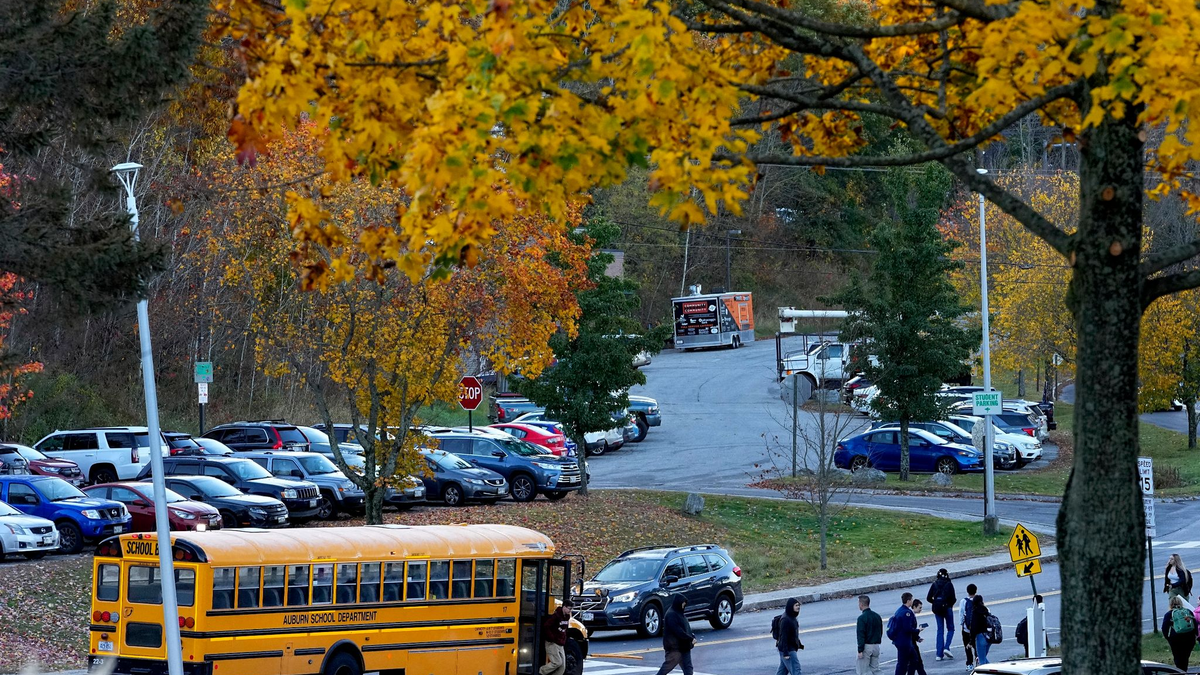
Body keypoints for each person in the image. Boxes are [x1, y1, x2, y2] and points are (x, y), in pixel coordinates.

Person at [656, 594, 695, 675]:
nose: (684, 605)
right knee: (667, 668)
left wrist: (691, 636)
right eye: (683, 603)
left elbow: (685, 628)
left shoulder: (679, 613)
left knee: (688, 669)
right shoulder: (671, 615)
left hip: (684, 647)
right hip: (675, 648)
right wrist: (690, 639)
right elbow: (678, 631)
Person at [926, 568, 957, 661]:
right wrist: (949, 605)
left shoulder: (934, 584)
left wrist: (935, 602)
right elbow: (953, 598)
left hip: (937, 609)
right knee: (950, 628)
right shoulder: (949, 584)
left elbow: (928, 598)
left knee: (940, 630)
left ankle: (939, 654)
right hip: (947, 608)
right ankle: (946, 647)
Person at [1162, 595, 1198, 671]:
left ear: (1170, 604)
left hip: (1176, 639)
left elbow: (1164, 628)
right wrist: (1195, 636)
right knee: (1185, 657)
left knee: (1178, 658)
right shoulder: (1188, 612)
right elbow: (1194, 623)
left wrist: (1169, 638)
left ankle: (1180, 671)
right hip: (1189, 638)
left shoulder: (1169, 614)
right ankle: (1184, 670)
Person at [539, 599, 572, 675]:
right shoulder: (556, 616)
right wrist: (552, 638)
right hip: (552, 643)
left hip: (560, 643)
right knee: (557, 662)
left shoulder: (567, 617)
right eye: (569, 609)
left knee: (562, 667)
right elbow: (546, 626)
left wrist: (563, 639)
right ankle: (541, 671)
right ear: (564, 607)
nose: (570, 611)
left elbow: (564, 629)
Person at [890, 592, 920, 675]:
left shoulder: (899, 610)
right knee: (903, 662)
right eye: (911, 599)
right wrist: (917, 630)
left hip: (900, 640)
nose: (912, 601)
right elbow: (907, 628)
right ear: (908, 601)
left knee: (912, 659)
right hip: (904, 641)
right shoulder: (907, 613)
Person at [775, 597, 804, 675]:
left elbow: (794, 634)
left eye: (798, 605)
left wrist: (799, 644)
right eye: (796, 605)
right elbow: (783, 637)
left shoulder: (792, 617)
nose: (798, 607)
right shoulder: (786, 620)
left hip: (788, 648)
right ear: (791, 606)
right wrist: (785, 653)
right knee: (796, 670)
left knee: (782, 671)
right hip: (788, 650)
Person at [856, 595, 883, 675]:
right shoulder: (877, 616)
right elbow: (880, 631)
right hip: (876, 645)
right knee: (876, 669)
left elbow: (861, 634)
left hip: (866, 646)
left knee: (863, 671)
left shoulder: (861, 618)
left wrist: (860, 650)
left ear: (861, 604)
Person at [959, 583, 977, 672]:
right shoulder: (978, 600)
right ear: (976, 591)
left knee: (967, 646)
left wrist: (962, 624)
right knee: (977, 646)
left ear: (967, 591)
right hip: (977, 629)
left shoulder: (963, 601)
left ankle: (969, 664)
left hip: (966, 629)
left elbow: (961, 614)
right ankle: (978, 660)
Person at [969, 595, 992, 666]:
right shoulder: (986, 610)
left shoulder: (975, 612)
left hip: (980, 636)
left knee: (982, 661)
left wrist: (971, 641)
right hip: (988, 636)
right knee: (983, 658)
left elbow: (973, 628)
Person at [910, 600, 929, 675]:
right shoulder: (911, 616)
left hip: (911, 641)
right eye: (919, 608)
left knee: (914, 662)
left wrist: (917, 638)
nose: (921, 609)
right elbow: (910, 630)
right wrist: (918, 630)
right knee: (917, 661)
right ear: (914, 607)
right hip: (911, 643)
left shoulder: (911, 615)